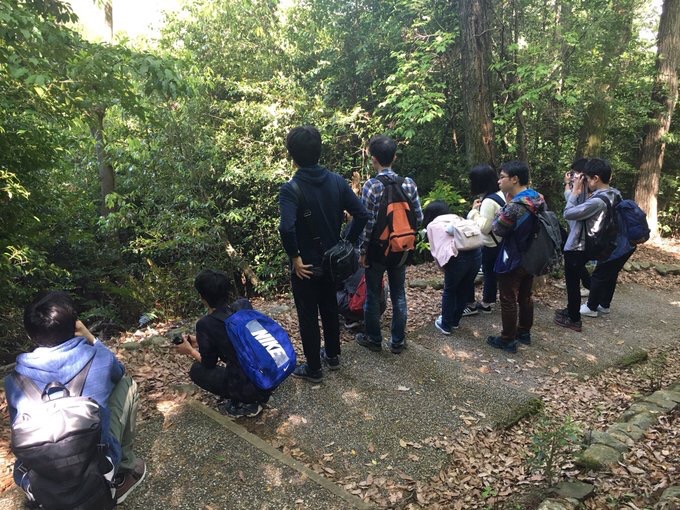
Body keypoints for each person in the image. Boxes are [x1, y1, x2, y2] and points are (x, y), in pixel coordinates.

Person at [4, 291, 146, 506]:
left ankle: (46, 492)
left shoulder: (14, 381)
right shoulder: (99, 358)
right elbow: (119, 372)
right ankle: (122, 472)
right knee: (127, 384)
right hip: (97, 466)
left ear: (30, 335)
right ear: (75, 325)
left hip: (40, 476)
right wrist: (90, 337)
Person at [278, 125, 369, 382]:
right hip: (332, 262)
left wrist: (294, 256)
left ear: (292, 155)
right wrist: (346, 242)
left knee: (308, 315)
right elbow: (361, 214)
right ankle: (333, 355)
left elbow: (286, 227)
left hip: (305, 266)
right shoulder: (337, 181)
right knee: (329, 307)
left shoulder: (291, 189)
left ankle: (314, 368)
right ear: (319, 150)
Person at [356, 135, 423, 354]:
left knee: (373, 294)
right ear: (394, 157)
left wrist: (362, 252)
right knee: (399, 294)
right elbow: (419, 217)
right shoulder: (408, 183)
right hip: (401, 248)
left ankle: (374, 339)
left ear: (373, 159)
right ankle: (398, 341)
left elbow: (368, 224)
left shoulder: (371, 186)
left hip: (377, 250)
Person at [175, 269, 270, 417]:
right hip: (269, 375)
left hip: (251, 388)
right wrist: (200, 340)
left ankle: (245, 403)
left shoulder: (206, 324)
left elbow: (208, 364)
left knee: (197, 370)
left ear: (202, 297)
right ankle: (251, 396)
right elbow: (232, 339)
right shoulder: (242, 305)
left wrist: (190, 351)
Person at [555, 158, 629, 328]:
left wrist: (574, 192)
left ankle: (573, 318)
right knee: (576, 278)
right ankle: (572, 310)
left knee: (572, 283)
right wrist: (574, 189)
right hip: (595, 244)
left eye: (586, 178)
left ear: (595, 178)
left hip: (579, 245)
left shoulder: (597, 201)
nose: (584, 180)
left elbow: (568, 213)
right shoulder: (614, 194)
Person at [487, 161, 547, 353]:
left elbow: (497, 229)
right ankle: (524, 332)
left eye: (502, 177)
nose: (499, 181)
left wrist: (501, 210)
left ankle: (507, 339)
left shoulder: (514, 206)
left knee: (508, 297)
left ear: (514, 179)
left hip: (514, 256)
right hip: (532, 254)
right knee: (525, 295)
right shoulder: (537, 198)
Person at [424, 201, 483, 335]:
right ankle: (455, 321)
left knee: (450, 290)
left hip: (457, 257)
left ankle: (445, 325)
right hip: (476, 254)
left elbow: (437, 252)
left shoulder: (432, 226)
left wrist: (445, 269)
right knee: (464, 288)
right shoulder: (457, 218)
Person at [466, 163, 506, 313]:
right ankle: (489, 301)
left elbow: (484, 227)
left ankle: (487, 303)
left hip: (491, 244)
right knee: (492, 273)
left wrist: (473, 212)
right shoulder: (501, 194)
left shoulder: (488, 201)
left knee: (489, 273)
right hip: (501, 241)